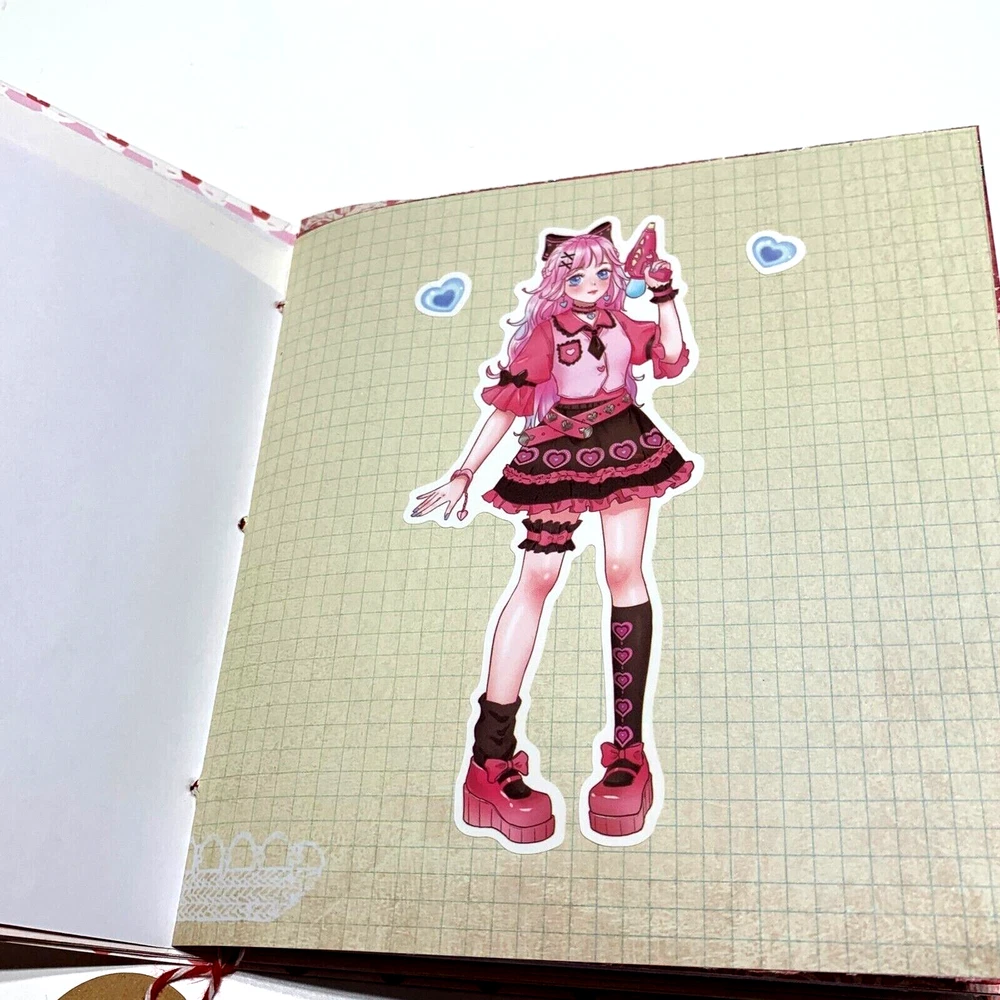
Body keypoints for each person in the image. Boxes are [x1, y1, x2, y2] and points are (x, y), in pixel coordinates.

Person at [409, 220, 699, 848]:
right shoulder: (547, 331)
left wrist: (664, 292)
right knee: (537, 575)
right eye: (577, 274)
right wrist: (464, 473)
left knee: (623, 570)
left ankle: (628, 751)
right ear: (556, 280)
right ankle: (490, 757)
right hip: (558, 451)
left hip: (624, 443)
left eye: (602, 271)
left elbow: (672, 358)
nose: (591, 283)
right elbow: (507, 407)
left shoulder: (624, 323)